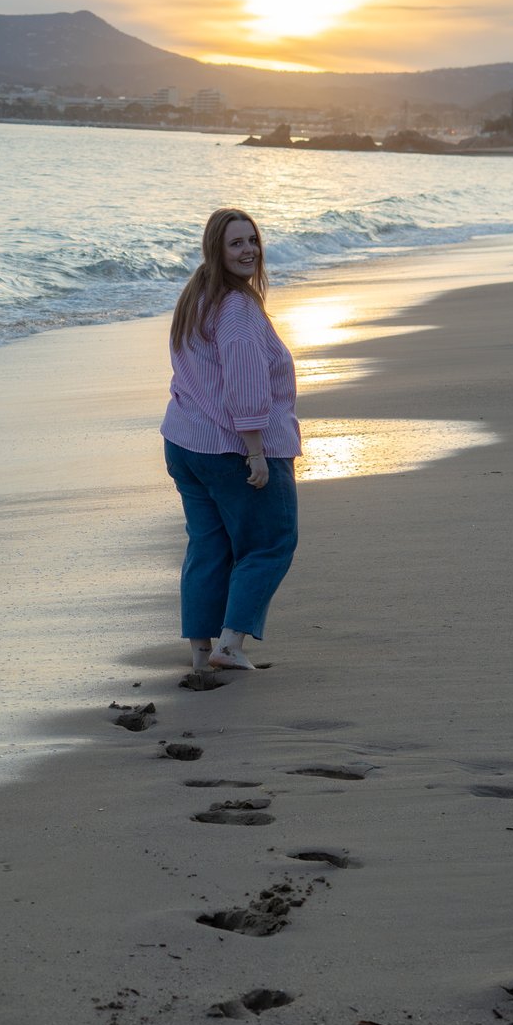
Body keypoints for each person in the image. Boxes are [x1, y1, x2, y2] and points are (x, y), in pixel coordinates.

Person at [161, 207, 300, 675]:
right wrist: (256, 451)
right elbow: (245, 381)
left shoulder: (196, 295)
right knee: (270, 543)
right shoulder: (237, 308)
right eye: (236, 243)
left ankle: (201, 653)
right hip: (230, 447)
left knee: (209, 547)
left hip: (185, 441)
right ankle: (230, 643)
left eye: (252, 240)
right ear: (216, 250)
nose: (249, 251)